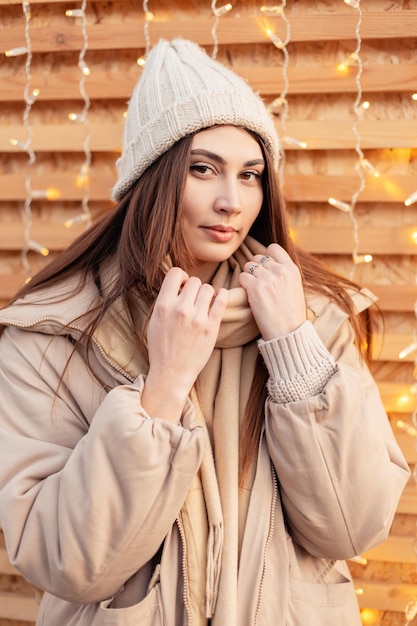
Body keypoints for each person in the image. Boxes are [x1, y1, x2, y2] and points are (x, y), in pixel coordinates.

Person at [0, 38, 410, 626]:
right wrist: (162, 387)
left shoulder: (313, 317)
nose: (231, 201)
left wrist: (292, 346)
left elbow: (351, 524)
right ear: (152, 178)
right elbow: (67, 561)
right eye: (202, 169)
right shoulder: (53, 333)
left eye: (250, 175)